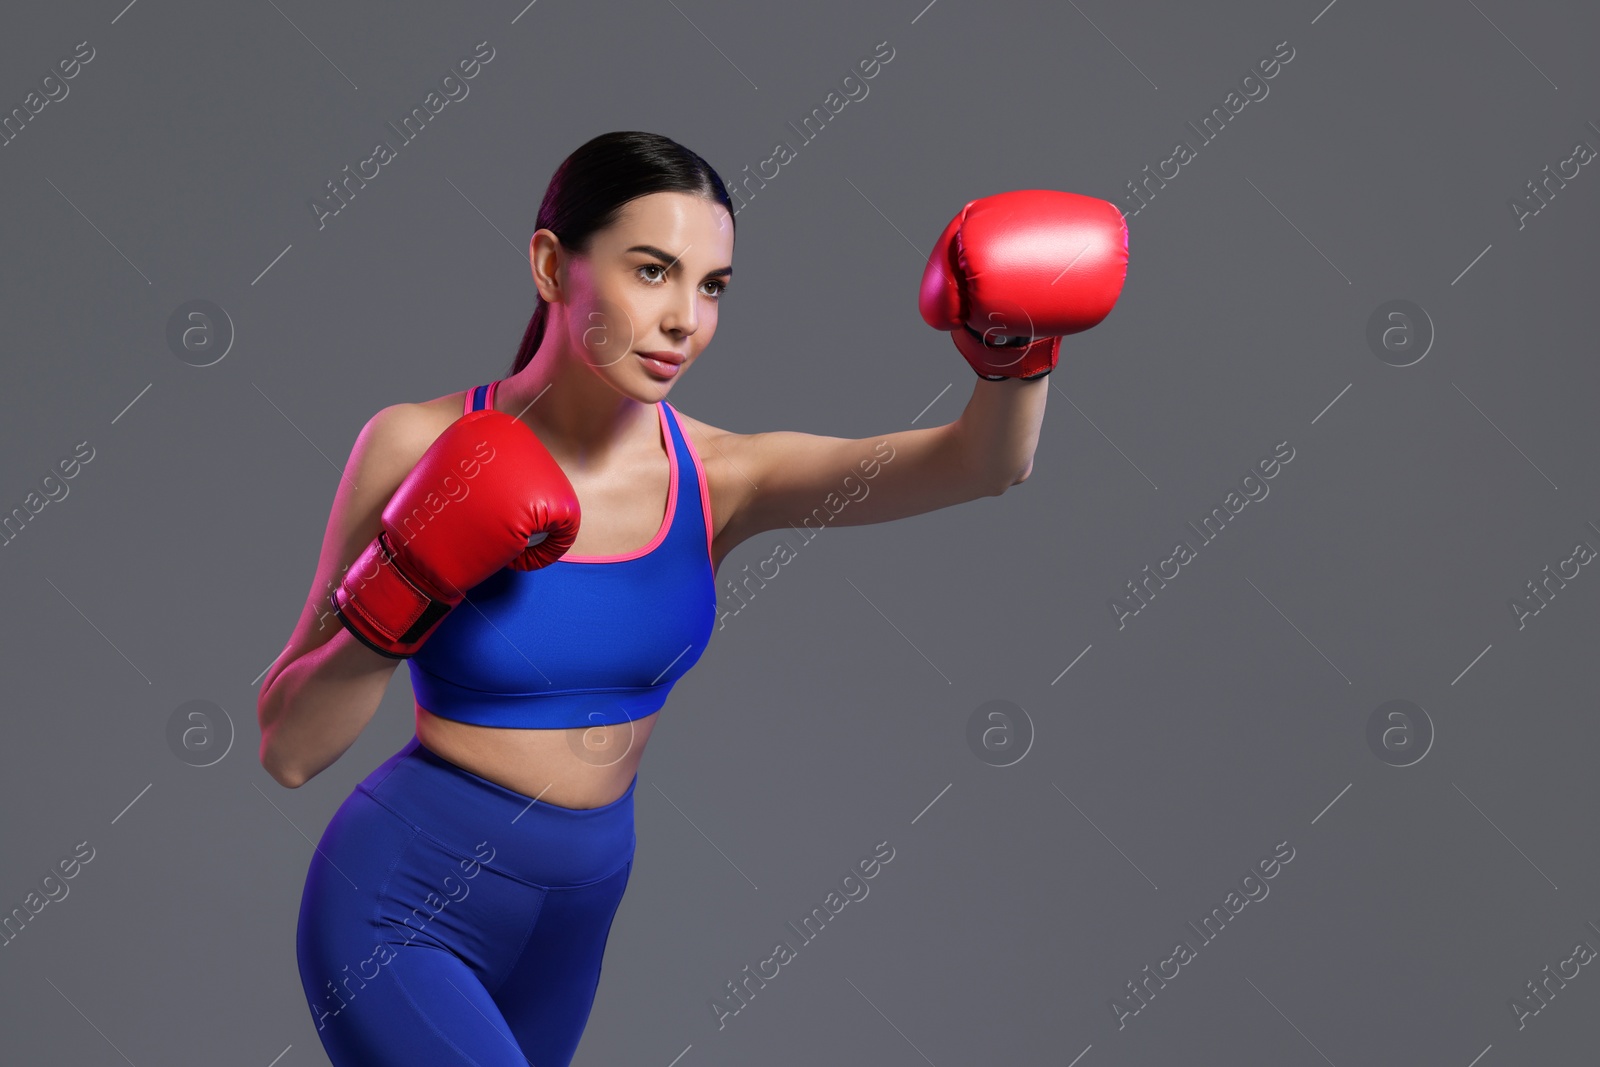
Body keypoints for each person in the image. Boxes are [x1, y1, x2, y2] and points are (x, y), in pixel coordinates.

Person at [257, 130, 1127, 1066]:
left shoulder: (720, 477)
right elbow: (290, 747)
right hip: (399, 900)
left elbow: (981, 463)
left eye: (711, 286)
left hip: (573, 918)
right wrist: (409, 580)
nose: (685, 319)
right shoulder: (415, 444)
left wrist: (1015, 350)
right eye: (652, 271)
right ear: (553, 265)